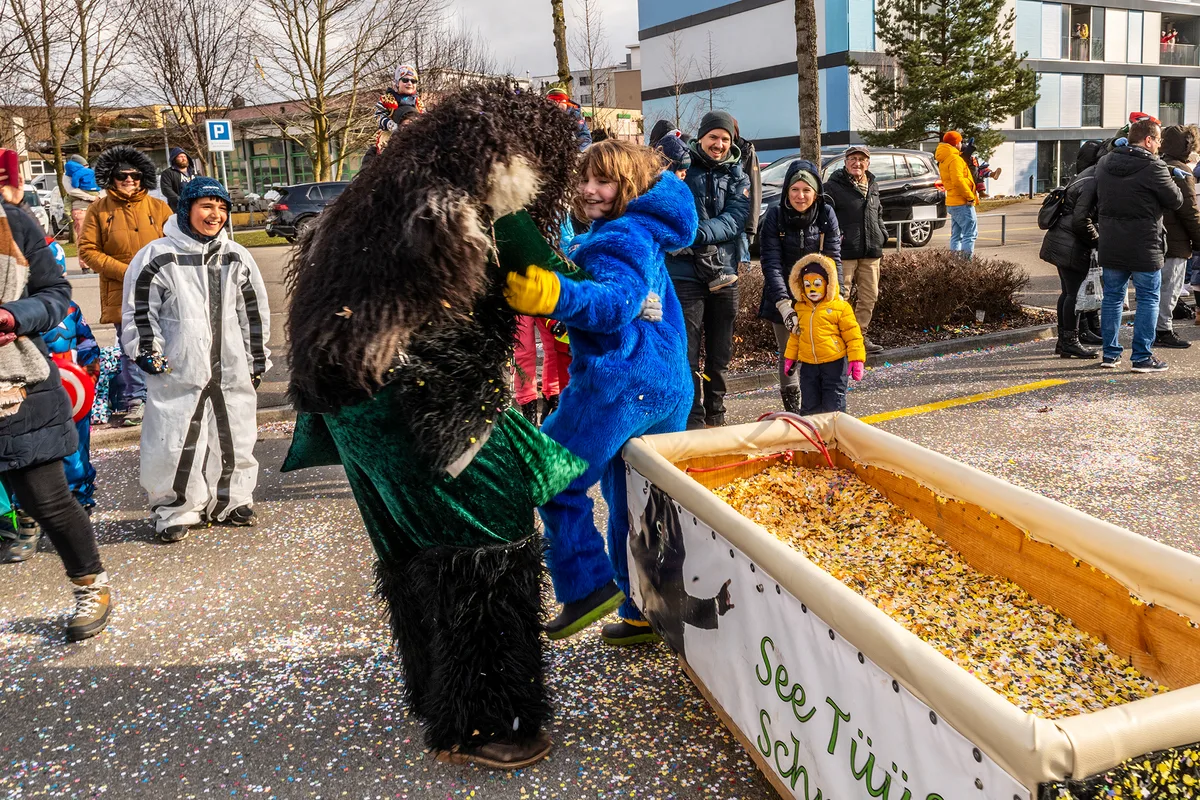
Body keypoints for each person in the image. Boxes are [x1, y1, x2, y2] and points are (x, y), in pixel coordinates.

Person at [282, 82, 588, 769]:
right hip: (431, 408)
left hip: (355, 413)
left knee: (413, 551)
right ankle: (493, 721)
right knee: (489, 553)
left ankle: (438, 700)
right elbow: (545, 272)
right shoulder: (486, 195)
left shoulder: (374, 192)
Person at [505, 140, 696, 646]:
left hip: (619, 383)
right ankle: (642, 609)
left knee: (547, 469)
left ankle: (587, 583)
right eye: (585, 179)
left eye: (604, 181)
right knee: (632, 498)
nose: (590, 190)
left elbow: (613, 304)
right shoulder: (641, 229)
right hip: (663, 383)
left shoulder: (618, 238)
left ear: (628, 186)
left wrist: (556, 295)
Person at [120, 178, 269, 543]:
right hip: (178, 367)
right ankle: (175, 509)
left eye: (221, 208)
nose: (215, 214)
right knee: (174, 439)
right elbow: (140, 311)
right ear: (186, 209)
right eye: (206, 206)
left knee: (235, 434)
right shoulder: (158, 256)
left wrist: (256, 361)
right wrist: (146, 350)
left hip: (231, 365)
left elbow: (253, 312)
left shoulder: (236, 256)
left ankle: (232, 500)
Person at [0, 158, 111, 641]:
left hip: (14, 385)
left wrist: (14, 316)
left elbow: (56, 293)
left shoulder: (13, 222)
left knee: (47, 500)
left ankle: (91, 586)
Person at [666, 110, 750, 429]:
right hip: (684, 273)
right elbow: (670, 209)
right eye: (713, 137)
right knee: (687, 352)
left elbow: (736, 218)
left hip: (725, 272)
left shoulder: (737, 174)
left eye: (725, 139)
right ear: (700, 137)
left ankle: (716, 409)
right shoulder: (681, 168)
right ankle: (693, 416)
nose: (719, 144)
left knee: (720, 351)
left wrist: (696, 233)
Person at [78, 145, 171, 426]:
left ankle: (168, 395)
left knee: (169, 340)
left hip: (162, 288)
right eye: (123, 175)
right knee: (132, 346)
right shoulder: (98, 209)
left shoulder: (159, 207)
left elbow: (176, 241)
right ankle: (136, 400)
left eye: (136, 175)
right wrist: (128, 272)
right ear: (111, 177)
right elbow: (88, 250)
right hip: (122, 290)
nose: (130, 180)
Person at [1095, 116, 1183, 372]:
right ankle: (1141, 357)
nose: (1159, 146)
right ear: (1148, 140)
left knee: (1112, 298)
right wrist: (1171, 176)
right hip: (1145, 244)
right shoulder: (1153, 167)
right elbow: (1175, 200)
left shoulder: (1105, 162)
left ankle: (1110, 355)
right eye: (1158, 140)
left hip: (1111, 242)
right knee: (1147, 298)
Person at [757, 159, 842, 413]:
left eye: (806, 190)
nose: (800, 195)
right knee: (789, 353)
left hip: (817, 296)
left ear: (816, 192)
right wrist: (784, 304)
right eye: (795, 189)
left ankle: (817, 408)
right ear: (786, 190)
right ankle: (794, 410)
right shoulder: (775, 215)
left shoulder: (826, 214)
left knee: (819, 351)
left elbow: (833, 259)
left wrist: (835, 296)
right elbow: (770, 261)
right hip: (782, 294)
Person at [39, 236, 100, 509]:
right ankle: (26, 508)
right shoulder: (13, 313)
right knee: (31, 453)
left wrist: (89, 376)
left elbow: (87, 343)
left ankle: (79, 496)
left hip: (72, 393)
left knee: (75, 447)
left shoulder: (72, 309)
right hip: (31, 393)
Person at [1039, 140, 1105, 359]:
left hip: (1062, 241)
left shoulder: (1085, 174)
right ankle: (1070, 341)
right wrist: (1097, 241)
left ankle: (1066, 340)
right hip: (1071, 244)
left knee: (1068, 293)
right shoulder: (1093, 180)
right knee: (1073, 295)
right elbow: (1081, 221)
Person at [781, 254, 866, 414]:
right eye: (807, 285)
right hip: (808, 365)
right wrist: (790, 357)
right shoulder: (800, 308)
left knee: (834, 405)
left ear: (828, 284)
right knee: (809, 405)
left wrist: (857, 359)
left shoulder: (840, 307)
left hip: (834, 363)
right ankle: (813, 436)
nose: (812, 289)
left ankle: (834, 437)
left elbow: (852, 334)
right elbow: (795, 336)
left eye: (817, 284)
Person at [825, 144, 887, 355]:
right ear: (845, 162)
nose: (857, 163)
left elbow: (878, 212)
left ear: (867, 163)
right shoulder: (832, 187)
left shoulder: (874, 184)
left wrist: (882, 234)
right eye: (852, 159)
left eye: (861, 159)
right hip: (845, 252)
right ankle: (839, 337)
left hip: (871, 251)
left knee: (870, 296)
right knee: (841, 297)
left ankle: (859, 336)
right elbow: (826, 218)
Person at [1154, 125, 1200, 350]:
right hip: (1176, 241)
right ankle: (1164, 330)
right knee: (1169, 288)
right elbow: (1190, 211)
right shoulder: (1181, 171)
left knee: (1154, 289)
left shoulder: (1158, 165)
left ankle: (1156, 327)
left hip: (1155, 238)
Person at [935, 131, 979, 257]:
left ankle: (954, 264)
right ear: (955, 143)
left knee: (956, 235)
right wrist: (970, 196)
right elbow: (958, 180)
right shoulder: (955, 159)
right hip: (962, 201)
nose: (962, 144)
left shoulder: (945, 157)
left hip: (952, 201)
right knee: (970, 234)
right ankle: (966, 264)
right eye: (960, 142)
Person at [733, 120, 762, 271]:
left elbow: (755, 191)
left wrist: (751, 226)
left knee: (743, 266)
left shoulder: (747, 153)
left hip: (742, 224)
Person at [63, 156, 100, 252]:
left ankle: (66, 213)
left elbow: (72, 190)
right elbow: (72, 191)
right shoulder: (68, 176)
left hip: (92, 208)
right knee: (83, 237)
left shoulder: (71, 175)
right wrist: (93, 198)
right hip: (81, 209)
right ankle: (85, 264)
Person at [546, 84, 592, 151]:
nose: (556, 102)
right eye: (552, 99)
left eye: (560, 98)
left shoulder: (575, 116)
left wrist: (576, 151)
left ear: (567, 101)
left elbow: (586, 138)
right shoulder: (541, 117)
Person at [158, 147, 194, 212]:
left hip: (194, 207)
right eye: (180, 157)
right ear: (174, 159)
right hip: (177, 209)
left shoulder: (193, 173)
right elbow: (166, 189)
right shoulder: (168, 173)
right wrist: (181, 200)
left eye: (184, 156)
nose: (183, 158)